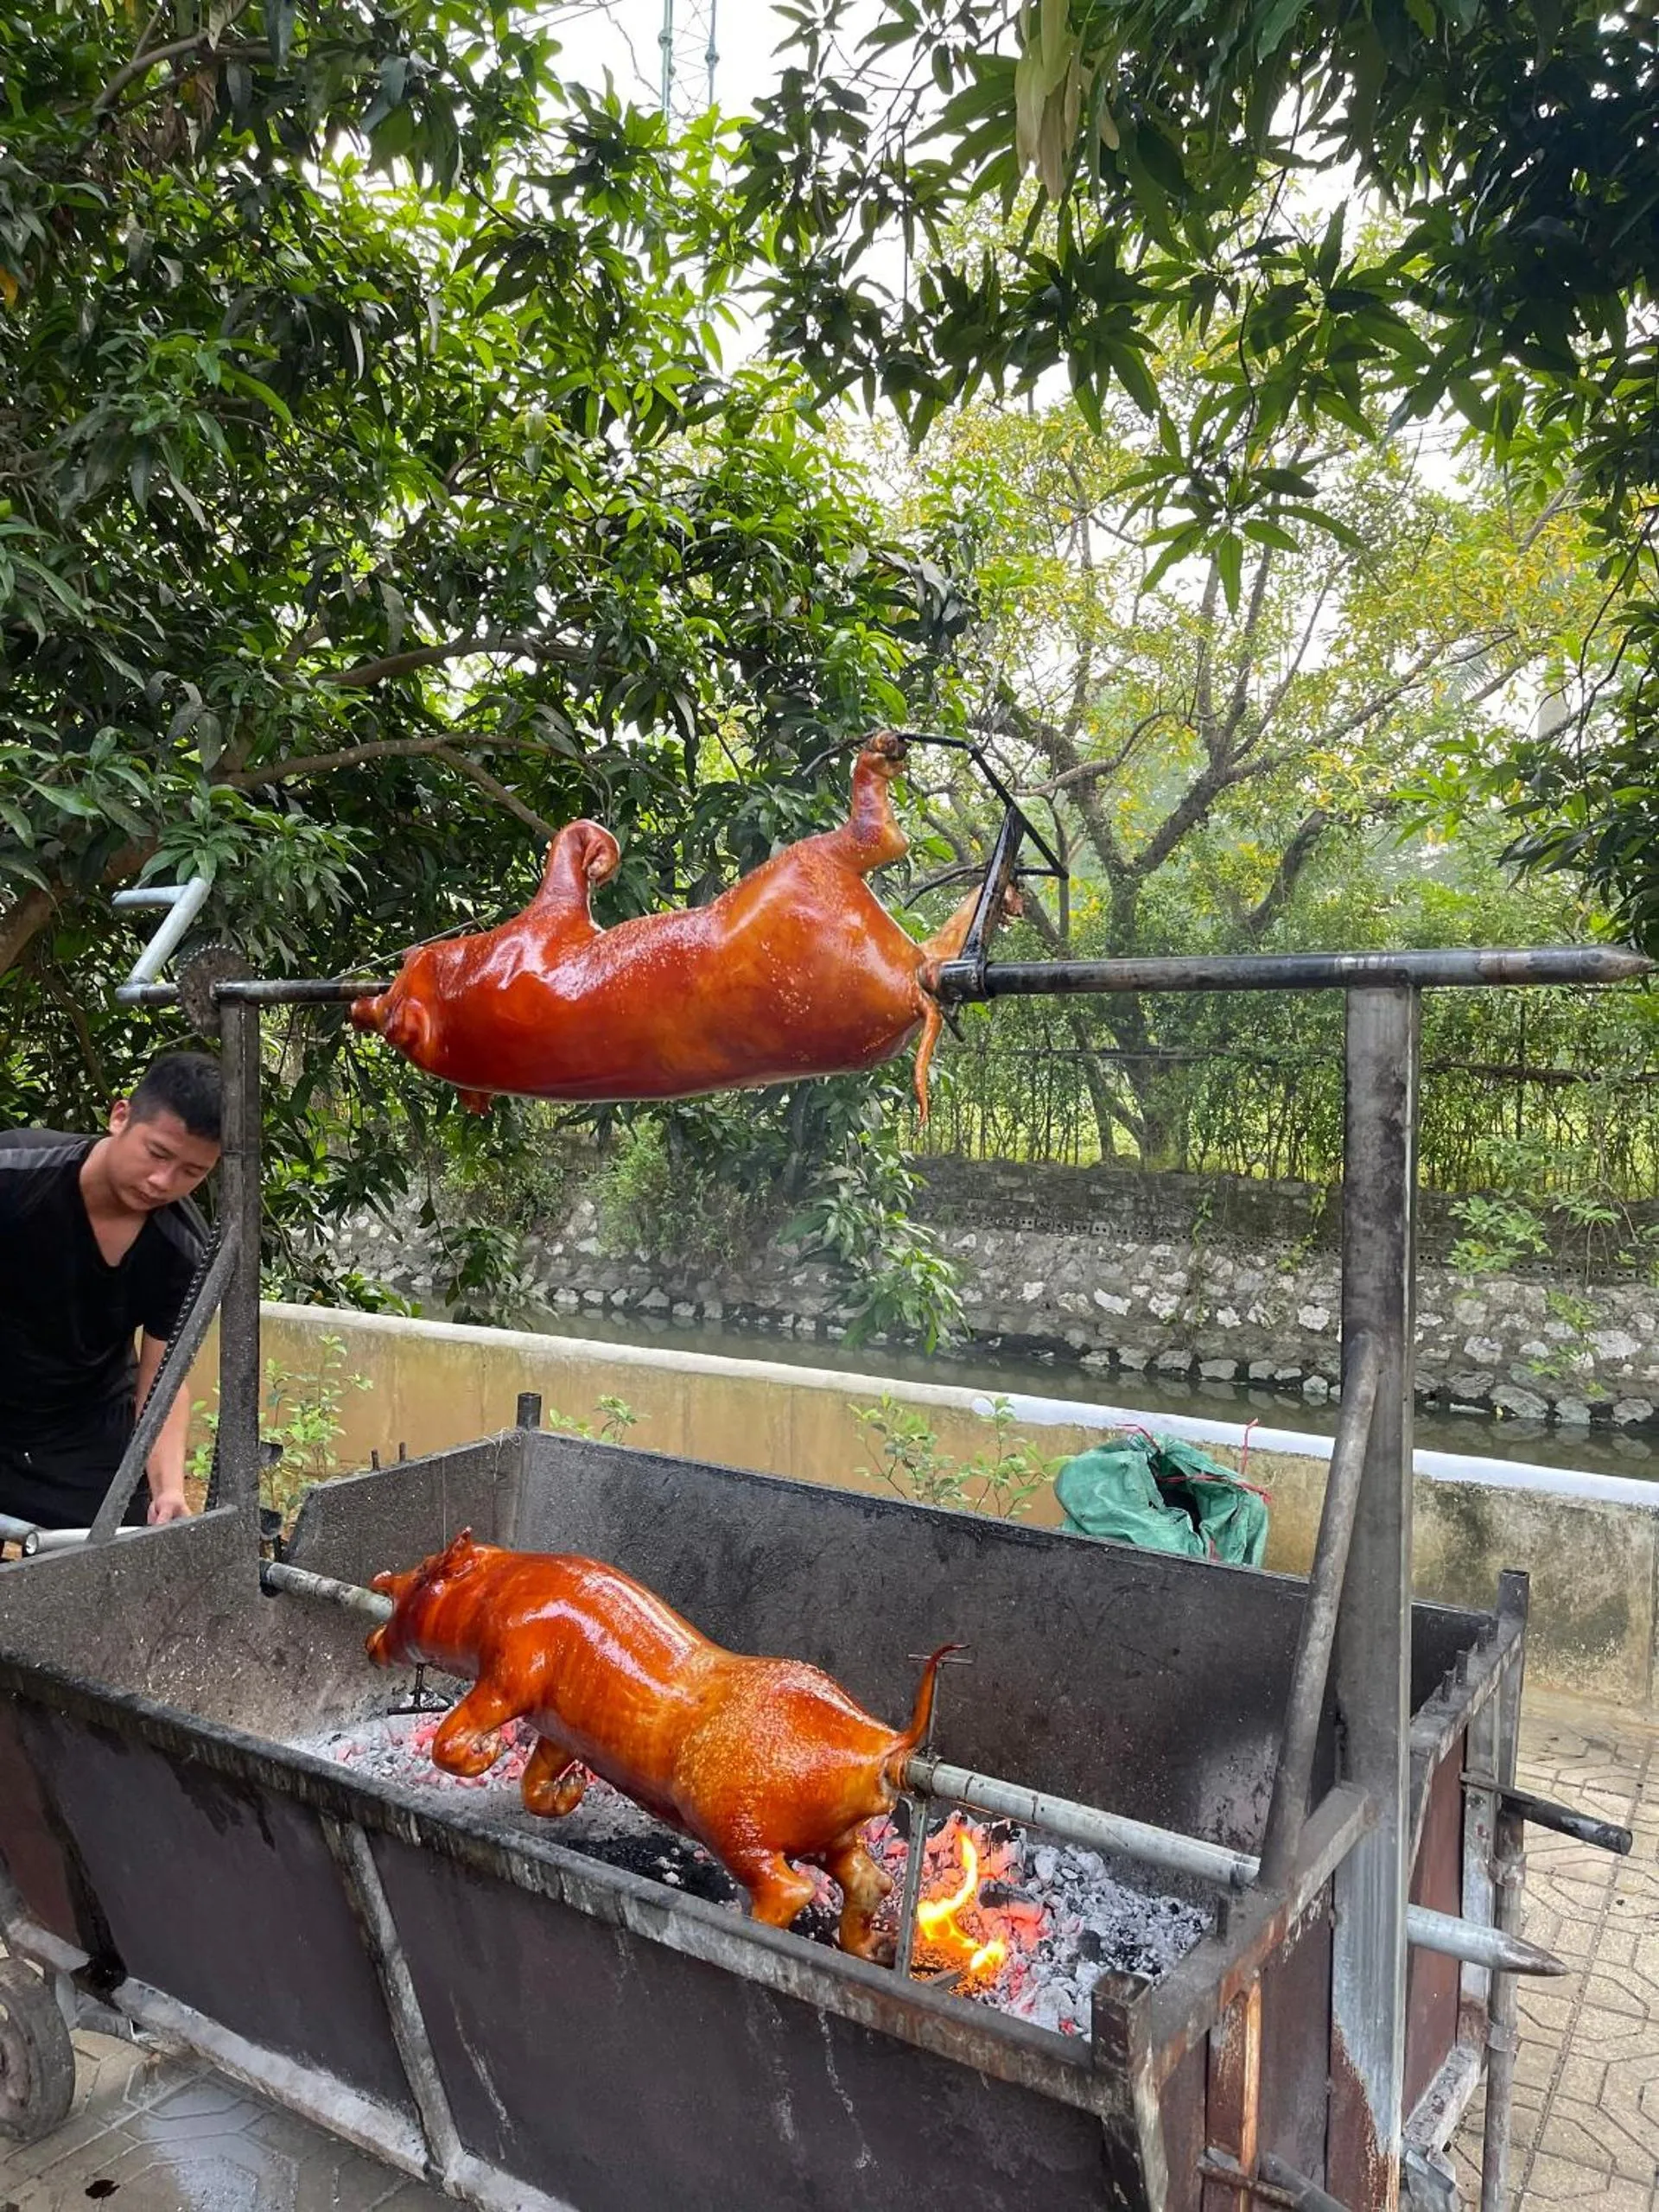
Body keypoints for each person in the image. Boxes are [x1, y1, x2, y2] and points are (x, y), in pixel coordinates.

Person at [0, 1052, 222, 1534]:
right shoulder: (12, 1173)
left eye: (192, 1172)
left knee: (108, 1584)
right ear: (120, 1116)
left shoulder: (185, 1250)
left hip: (85, 1436)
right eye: (158, 1154)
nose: (164, 1182)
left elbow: (162, 1381)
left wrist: (168, 1490)